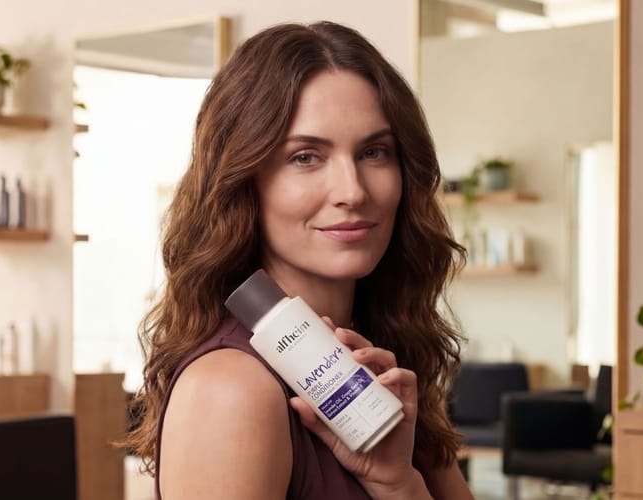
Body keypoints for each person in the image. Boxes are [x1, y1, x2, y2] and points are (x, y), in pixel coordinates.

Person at [121, 21, 473, 499]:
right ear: (243, 181)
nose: (352, 191)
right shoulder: (231, 389)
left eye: (374, 152)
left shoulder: (386, 367)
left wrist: (397, 484)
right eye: (306, 157)